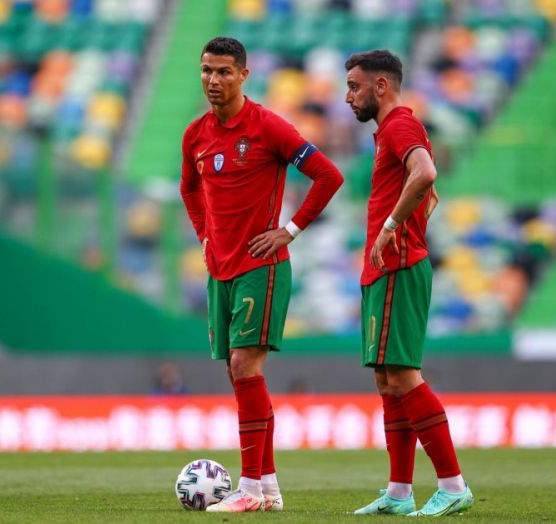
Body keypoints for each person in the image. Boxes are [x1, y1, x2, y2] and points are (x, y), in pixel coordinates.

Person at [180, 36, 343, 513]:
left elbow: (328, 175)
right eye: (208, 70)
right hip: (221, 267)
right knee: (240, 375)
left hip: (261, 265)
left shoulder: (269, 127)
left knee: (244, 367)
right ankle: (267, 487)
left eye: (224, 71)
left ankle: (249, 489)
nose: (214, 80)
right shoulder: (195, 135)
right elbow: (189, 189)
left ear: (244, 75)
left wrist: (289, 230)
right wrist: (204, 236)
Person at [344, 50, 474, 517]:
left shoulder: (399, 124)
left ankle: (453, 484)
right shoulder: (391, 132)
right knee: (386, 379)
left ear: (381, 86)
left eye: (355, 86)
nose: (348, 96)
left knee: (402, 375)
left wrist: (391, 225)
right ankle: (399, 492)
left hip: (399, 264)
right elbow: (424, 184)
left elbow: (426, 174)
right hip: (385, 267)